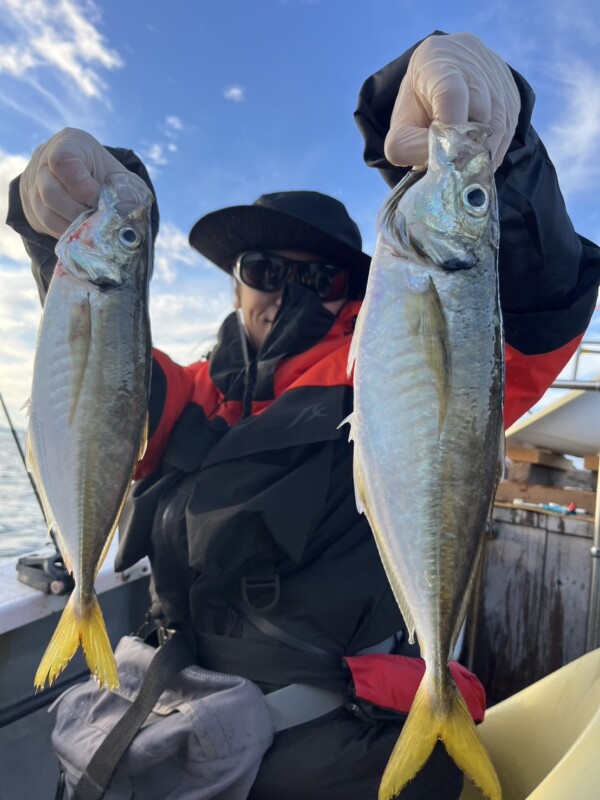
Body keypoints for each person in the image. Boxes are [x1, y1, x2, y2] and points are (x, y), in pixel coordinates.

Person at [7, 31, 599, 800]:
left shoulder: (386, 370)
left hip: (331, 743)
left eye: (313, 274)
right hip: (166, 722)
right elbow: (89, 381)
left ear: (352, 287)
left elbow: (529, 310)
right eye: (260, 270)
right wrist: (67, 214)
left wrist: (500, 152)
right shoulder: (182, 396)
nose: (280, 291)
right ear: (233, 288)